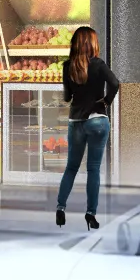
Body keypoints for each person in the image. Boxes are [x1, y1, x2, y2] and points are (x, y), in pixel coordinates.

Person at [55, 24, 117, 229]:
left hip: (76, 121)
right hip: (98, 119)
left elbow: (67, 97)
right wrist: (105, 101)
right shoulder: (99, 64)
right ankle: (91, 214)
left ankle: (61, 208)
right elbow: (115, 83)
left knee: (71, 167)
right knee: (93, 170)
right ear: (92, 44)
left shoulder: (67, 66)